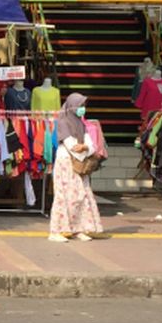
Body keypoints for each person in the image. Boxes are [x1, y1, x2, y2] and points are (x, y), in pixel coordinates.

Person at [49, 92, 104, 242]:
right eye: (80, 105)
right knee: (64, 196)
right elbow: (72, 145)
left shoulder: (81, 123)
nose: (83, 108)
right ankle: (56, 231)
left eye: (84, 105)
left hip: (79, 165)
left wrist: (85, 148)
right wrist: (85, 148)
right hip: (66, 163)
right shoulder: (62, 122)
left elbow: (92, 146)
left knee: (81, 196)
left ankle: (77, 228)